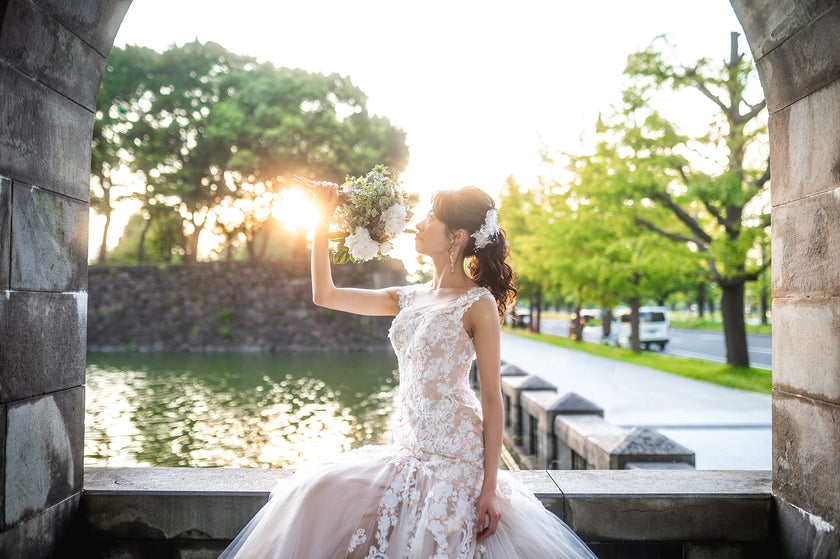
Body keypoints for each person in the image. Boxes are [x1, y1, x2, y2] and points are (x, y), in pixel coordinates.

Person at [219, 183, 596, 558]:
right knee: (313, 489)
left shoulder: (478, 303)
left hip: (454, 456)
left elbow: (492, 399)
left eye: (431, 218)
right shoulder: (408, 297)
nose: (419, 223)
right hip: (408, 447)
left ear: (457, 236)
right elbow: (326, 295)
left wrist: (488, 488)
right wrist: (322, 218)